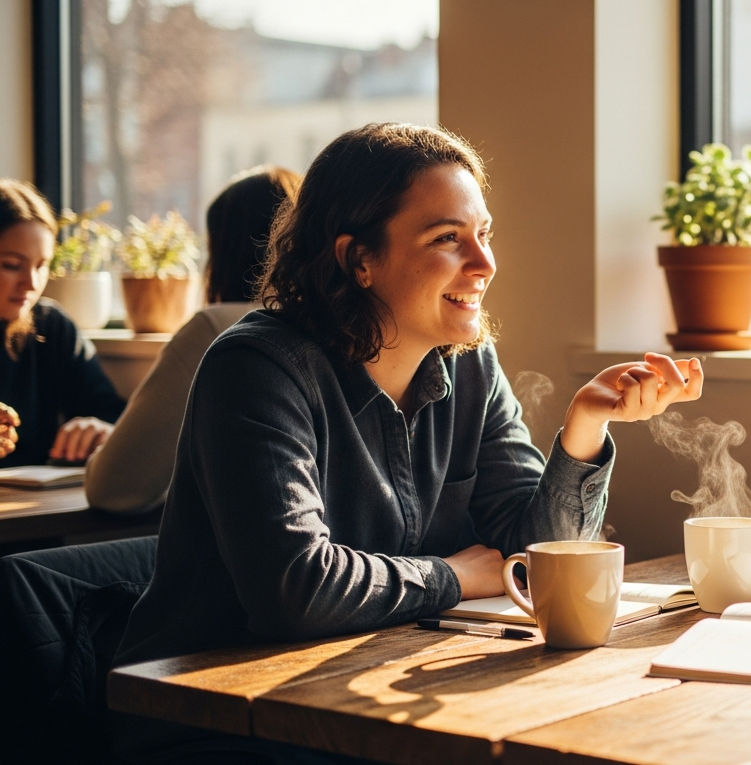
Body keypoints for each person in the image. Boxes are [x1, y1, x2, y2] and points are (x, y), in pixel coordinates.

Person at [112, 123, 704, 762]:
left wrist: (585, 427)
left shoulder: (469, 362)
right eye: (447, 239)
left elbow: (533, 558)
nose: (485, 264)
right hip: (217, 719)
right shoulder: (257, 367)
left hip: (362, 687)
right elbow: (296, 590)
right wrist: (451, 576)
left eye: (484, 234)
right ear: (357, 259)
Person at [86, 166, 302, 513]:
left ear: (224, 252)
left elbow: (113, 489)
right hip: (334, 550)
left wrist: (100, 453)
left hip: (233, 560)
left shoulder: (218, 329)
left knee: (20, 568)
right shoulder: (341, 329)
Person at [0, 179, 124, 467]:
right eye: (11, 265)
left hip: (37, 507)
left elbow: (111, 414)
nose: (31, 283)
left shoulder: (50, 326)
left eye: (42, 265)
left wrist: (99, 429)